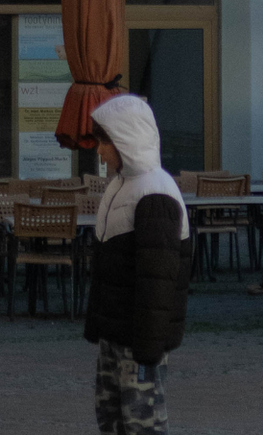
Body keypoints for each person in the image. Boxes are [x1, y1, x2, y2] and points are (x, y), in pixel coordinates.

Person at [82, 95, 192, 434]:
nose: (99, 150)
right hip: (117, 332)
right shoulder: (123, 184)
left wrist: (147, 347)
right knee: (111, 413)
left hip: (138, 338)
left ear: (125, 141)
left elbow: (158, 279)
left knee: (141, 420)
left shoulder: (154, 194)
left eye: (104, 141)